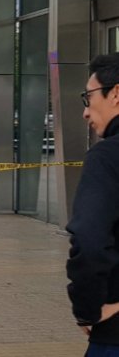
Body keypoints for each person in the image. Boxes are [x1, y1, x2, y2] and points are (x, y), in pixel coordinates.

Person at [67, 52, 119, 355]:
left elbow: (89, 239)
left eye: (88, 97)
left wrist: (87, 308)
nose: (86, 112)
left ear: (115, 94)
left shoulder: (107, 157)